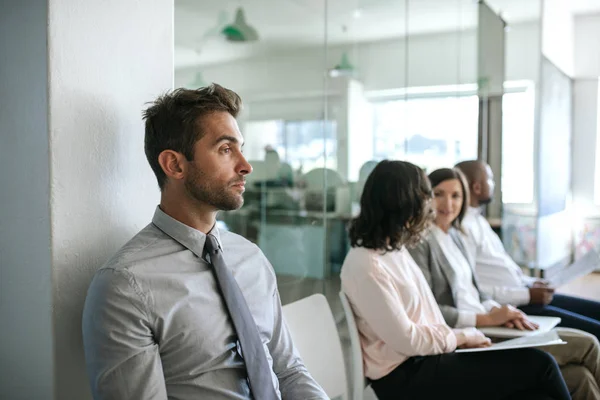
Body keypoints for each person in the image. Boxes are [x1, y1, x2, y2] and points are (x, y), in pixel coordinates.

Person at [82, 84, 327, 400]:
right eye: (226, 149)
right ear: (175, 165)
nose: (246, 165)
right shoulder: (125, 287)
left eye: (239, 147)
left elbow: (289, 370)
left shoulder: (250, 257)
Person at [340, 160, 570, 400]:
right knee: (541, 364)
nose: (429, 206)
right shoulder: (367, 265)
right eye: (425, 197)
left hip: (428, 359)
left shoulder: (394, 251)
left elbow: (426, 317)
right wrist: (462, 336)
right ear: (402, 203)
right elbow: (408, 340)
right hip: (406, 377)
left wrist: (461, 339)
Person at [409, 167, 600, 400]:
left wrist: (500, 311)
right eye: (439, 194)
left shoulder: (455, 236)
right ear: (427, 197)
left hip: (492, 323)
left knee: (581, 377)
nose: (448, 203)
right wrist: (485, 319)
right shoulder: (422, 242)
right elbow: (430, 310)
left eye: (456, 196)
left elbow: (476, 293)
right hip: (471, 333)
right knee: (589, 344)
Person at [455, 160, 600, 340]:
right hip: (515, 306)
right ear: (476, 187)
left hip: (525, 294)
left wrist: (531, 282)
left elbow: (505, 268)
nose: (493, 184)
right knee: (595, 329)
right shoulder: (463, 229)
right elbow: (476, 288)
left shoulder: (478, 221)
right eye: (490, 179)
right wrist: (527, 294)